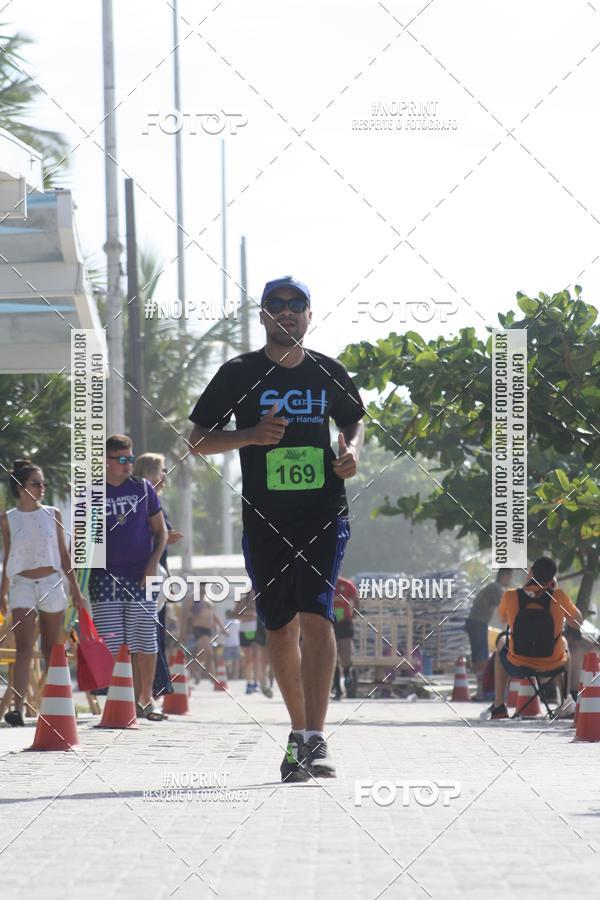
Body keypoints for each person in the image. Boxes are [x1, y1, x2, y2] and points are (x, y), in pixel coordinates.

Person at [188, 275, 365, 781]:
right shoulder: (239, 373)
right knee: (279, 625)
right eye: (276, 305)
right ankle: (297, 731)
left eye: (296, 305)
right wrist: (249, 435)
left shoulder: (329, 372)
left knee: (317, 615)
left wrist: (352, 450)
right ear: (262, 315)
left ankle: (316, 737)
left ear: (310, 315)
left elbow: (353, 421)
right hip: (265, 519)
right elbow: (198, 440)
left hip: (323, 513)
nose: (286, 312)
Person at [89, 435, 168, 721]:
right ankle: (119, 700)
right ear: (106, 462)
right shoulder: (92, 492)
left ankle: (145, 699)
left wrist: (152, 565)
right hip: (103, 579)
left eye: (130, 459)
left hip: (141, 576)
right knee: (113, 644)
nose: (128, 465)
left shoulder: (143, 488)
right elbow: (84, 541)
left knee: (145, 641)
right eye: (122, 460)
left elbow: (161, 532)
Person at [0, 460, 84, 726]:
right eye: (37, 483)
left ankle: (56, 705)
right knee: (24, 648)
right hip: (21, 584)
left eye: (43, 483)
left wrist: (76, 590)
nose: (42, 488)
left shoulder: (53, 513)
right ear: (21, 488)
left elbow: (64, 554)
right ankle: (18, 707)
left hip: (51, 582)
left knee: (52, 647)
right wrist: (2, 592)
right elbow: (8, 558)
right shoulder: (7, 519)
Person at [486, 557, 583, 719]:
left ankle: (499, 705)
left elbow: (502, 619)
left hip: (518, 662)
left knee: (502, 641)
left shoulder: (511, 595)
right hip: (552, 663)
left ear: (530, 572)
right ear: (552, 578)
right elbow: (577, 622)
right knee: (564, 643)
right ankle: (565, 702)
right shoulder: (558, 596)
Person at [133, 452, 183, 699]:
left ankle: (151, 690)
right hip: (143, 575)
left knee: (157, 632)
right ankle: (147, 691)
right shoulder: (139, 500)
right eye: (161, 470)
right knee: (147, 634)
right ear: (150, 472)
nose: (165, 475)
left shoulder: (156, 502)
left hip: (158, 574)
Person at [465, 569, 513, 701]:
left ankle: (481, 690)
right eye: (509, 577)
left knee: (478, 656)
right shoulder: (495, 588)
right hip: (478, 623)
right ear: (503, 576)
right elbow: (505, 606)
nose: (510, 580)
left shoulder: (493, 587)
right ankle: (482, 691)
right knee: (480, 658)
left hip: (477, 623)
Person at [179, 584, 224, 683]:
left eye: (205, 586)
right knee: (206, 651)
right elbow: (184, 615)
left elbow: (214, 615)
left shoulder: (208, 599)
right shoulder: (193, 599)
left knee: (208, 654)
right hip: (198, 628)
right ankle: (193, 671)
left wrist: (222, 627)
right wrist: (182, 631)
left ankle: (201, 673)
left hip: (208, 630)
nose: (203, 588)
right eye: (201, 586)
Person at [332, 575, 359, 700]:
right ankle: (337, 690)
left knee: (345, 656)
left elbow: (356, 597)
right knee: (332, 657)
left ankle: (347, 672)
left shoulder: (346, 584)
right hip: (329, 622)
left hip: (344, 622)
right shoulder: (324, 582)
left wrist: (354, 614)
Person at [222, 610, 242, 680]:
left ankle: (227, 675)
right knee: (236, 660)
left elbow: (222, 631)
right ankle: (235, 676)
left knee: (226, 660)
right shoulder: (237, 622)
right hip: (236, 642)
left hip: (227, 643)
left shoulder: (225, 622)